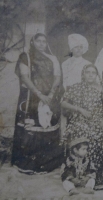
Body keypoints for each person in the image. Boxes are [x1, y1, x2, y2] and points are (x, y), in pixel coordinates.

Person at [11, 33, 64, 174]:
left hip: (49, 96)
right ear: (33, 42)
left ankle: (47, 163)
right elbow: (24, 77)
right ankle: (28, 164)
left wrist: (51, 94)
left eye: (44, 41)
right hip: (31, 97)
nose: (41, 44)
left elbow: (57, 77)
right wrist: (39, 94)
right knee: (31, 127)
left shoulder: (53, 58)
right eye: (38, 41)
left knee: (48, 125)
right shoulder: (26, 57)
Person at [61, 64, 103, 175]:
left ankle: (99, 166)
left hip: (98, 118)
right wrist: (79, 109)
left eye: (93, 73)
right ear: (83, 74)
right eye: (88, 72)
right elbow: (63, 103)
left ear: (96, 75)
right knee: (86, 132)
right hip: (80, 118)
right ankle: (85, 167)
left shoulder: (101, 88)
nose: (91, 75)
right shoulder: (75, 87)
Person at [61, 34, 92, 139]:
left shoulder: (87, 63)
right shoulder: (65, 64)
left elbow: (91, 81)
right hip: (67, 96)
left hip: (82, 96)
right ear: (71, 49)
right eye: (75, 47)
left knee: (81, 123)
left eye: (80, 47)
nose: (78, 49)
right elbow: (63, 80)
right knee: (66, 123)